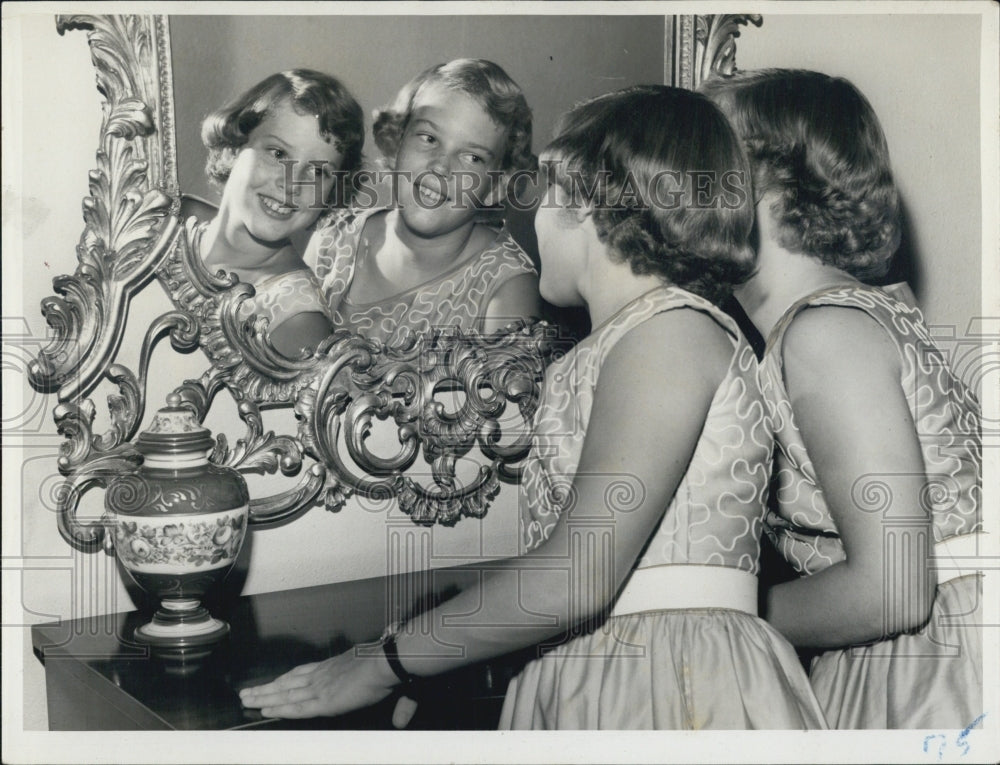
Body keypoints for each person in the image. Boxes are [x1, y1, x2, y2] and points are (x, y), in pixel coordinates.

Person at [240, 85, 827, 730]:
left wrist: (383, 663)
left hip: (674, 682)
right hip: (608, 667)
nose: (536, 217)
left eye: (547, 195)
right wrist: (443, 657)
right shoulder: (610, 348)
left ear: (588, 203)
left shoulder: (670, 332)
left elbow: (578, 570)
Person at [702, 69, 982, 729]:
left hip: (936, 663)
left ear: (765, 182)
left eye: (700, 166)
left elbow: (892, 590)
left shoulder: (824, 332)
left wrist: (721, 616)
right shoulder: (836, 319)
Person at [303, 59, 542, 345]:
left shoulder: (506, 287)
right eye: (429, 138)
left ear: (497, 186)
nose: (441, 167)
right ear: (397, 140)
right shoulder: (333, 238)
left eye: (472, 157)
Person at [190, 69, 364, 357]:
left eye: (319, 171)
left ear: (332, 192)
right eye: (279, 154)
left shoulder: (299, 324)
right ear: (235, 148)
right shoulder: (174, 220)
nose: (292, 184)